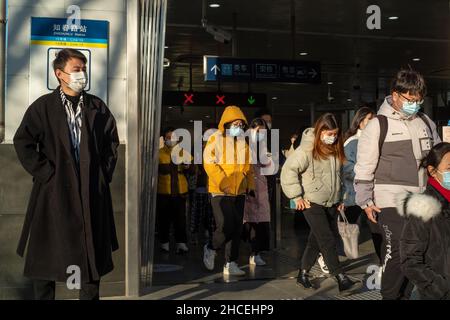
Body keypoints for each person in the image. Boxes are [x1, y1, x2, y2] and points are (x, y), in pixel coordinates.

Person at [13, 48, 119, 300]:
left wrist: (101, 176)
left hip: (90, 192)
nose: (82, 74)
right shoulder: (43, 107)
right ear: (60, 74)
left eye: (83, 69)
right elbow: (23, 141)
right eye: (76, 69)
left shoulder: (97, 106)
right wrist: (46, 173)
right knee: (46, 258)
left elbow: (111, 144)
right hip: (53, 193)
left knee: (91, 256)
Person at [354, 69, 441, 300]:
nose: (414, 104)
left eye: (418, 100)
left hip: (421, 198)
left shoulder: (425, 121)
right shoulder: (378, 125)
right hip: (389, 199)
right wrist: (365, 202)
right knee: (399, 253)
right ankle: (390, 296)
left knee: (418, 253)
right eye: (409, 99)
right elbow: (364, 166)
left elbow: (439, 157)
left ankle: (404, 295)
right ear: (395, 95)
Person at [281, 113, 361, 295]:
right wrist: (297, 196)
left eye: (335, 134)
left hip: (331, 202)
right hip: (312, 202)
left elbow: (338, 176)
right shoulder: (306, 149)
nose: (332, 137)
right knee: (327, 239)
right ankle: (341, 277)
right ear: (320, 131)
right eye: (329, 133)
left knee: (315, 240)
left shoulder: (334, 148)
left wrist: (341, 199)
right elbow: (289, 171)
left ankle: (303, 273)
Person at [203, 106, 256, 276]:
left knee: (237, 228)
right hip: (220, 191)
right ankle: (211, 247)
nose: (238, 127)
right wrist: (223, 182)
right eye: (235, 123)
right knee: (226, 225)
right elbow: (209, 163)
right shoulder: (215, 139)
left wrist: (251, 186)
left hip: (239, 191)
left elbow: (249, 168)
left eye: (241, 124)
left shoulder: (243, 142)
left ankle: (230, 262)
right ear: (226, 123)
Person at [397, 143, 450, 300]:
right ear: (433, 171)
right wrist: (441, 289)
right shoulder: (423, 208)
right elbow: (410, 260)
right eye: (449, 168)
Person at [342, 107, 382, 263]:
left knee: (376, 228)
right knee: (349, 227)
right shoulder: (353, 142)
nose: (372, 123)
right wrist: (366, 174)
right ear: (359, 122)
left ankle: (383, 262)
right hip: (354, 193)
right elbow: (347, 168)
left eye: (374, 119)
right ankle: (326, 256)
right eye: (369, 119)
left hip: (371, 192)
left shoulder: (375, 140)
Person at [157, 127, 192, 254]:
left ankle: (181, 243)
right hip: (163, 192)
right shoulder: (158, 153)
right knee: (163, 219)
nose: (171, 140)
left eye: (173, 137)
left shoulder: (184, 152)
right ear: (164, 139)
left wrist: (188, 167)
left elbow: (193, 170)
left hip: (180, 192)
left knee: (180, 219)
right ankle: (164, 243)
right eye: (168, 138)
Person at [243, 118, 272, 266]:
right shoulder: (243, 144)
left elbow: (269, 165)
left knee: (261, 222)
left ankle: (256, 253)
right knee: (250, 221)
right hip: (248, 187)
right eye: (258, 131)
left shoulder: (264, 146)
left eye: (263, 131)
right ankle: (251, 252)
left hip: (261, 187)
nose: (261, 134)